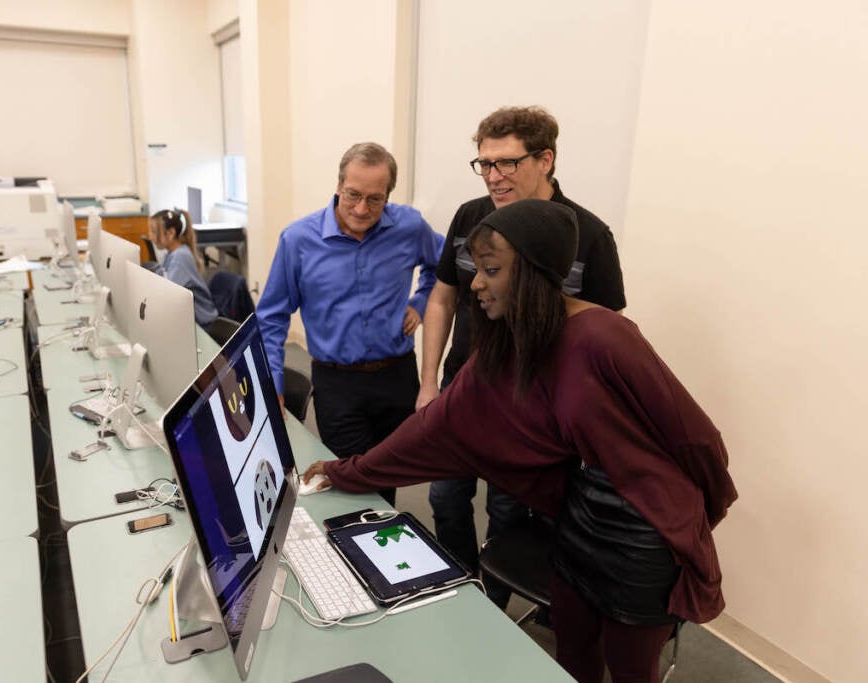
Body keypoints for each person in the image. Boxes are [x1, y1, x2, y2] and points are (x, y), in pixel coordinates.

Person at [303, 199, 737, 683]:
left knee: (632, 670)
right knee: (573, 654)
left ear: (532, 274)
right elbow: (435, 426)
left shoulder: (605, 336)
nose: (477, 284)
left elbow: (696, 439)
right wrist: (348, 470)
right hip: (579, 519)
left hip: (644, 535)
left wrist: (695, 525)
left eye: (491, 270)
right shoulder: (510, 341)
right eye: (476, 269)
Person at [417, 106, 626, 600]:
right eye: (485, 163)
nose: (494, 176)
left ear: (546, 159)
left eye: (507, 163)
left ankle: (491, 605)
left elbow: (603, 333)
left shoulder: (588, 236)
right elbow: (443, 297)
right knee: (444, 497)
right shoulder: (471, 217)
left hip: (529, 407)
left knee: (508, 511)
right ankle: (461, 592)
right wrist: (428, 383)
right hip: (462, 391)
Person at [257, 142, 444, 506]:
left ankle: (376, 552)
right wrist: (272, 383)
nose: (361, 209)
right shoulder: (298, 239)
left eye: (375, 199)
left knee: (386, 477)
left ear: (388, 194)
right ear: (339, 185)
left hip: (397, 377)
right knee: (349, 484)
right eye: (353, 195)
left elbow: (443, 266)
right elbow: (272, 317)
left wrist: (420, 302)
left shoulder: (409, 226)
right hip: (337, 383)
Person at [149, 209, 219, 327]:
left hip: (202, 325)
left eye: (154, 232)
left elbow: (168, 294)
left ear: (170, 233)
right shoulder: (172, 253)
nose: (150, 237)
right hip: (190, 319)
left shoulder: (180, 257)